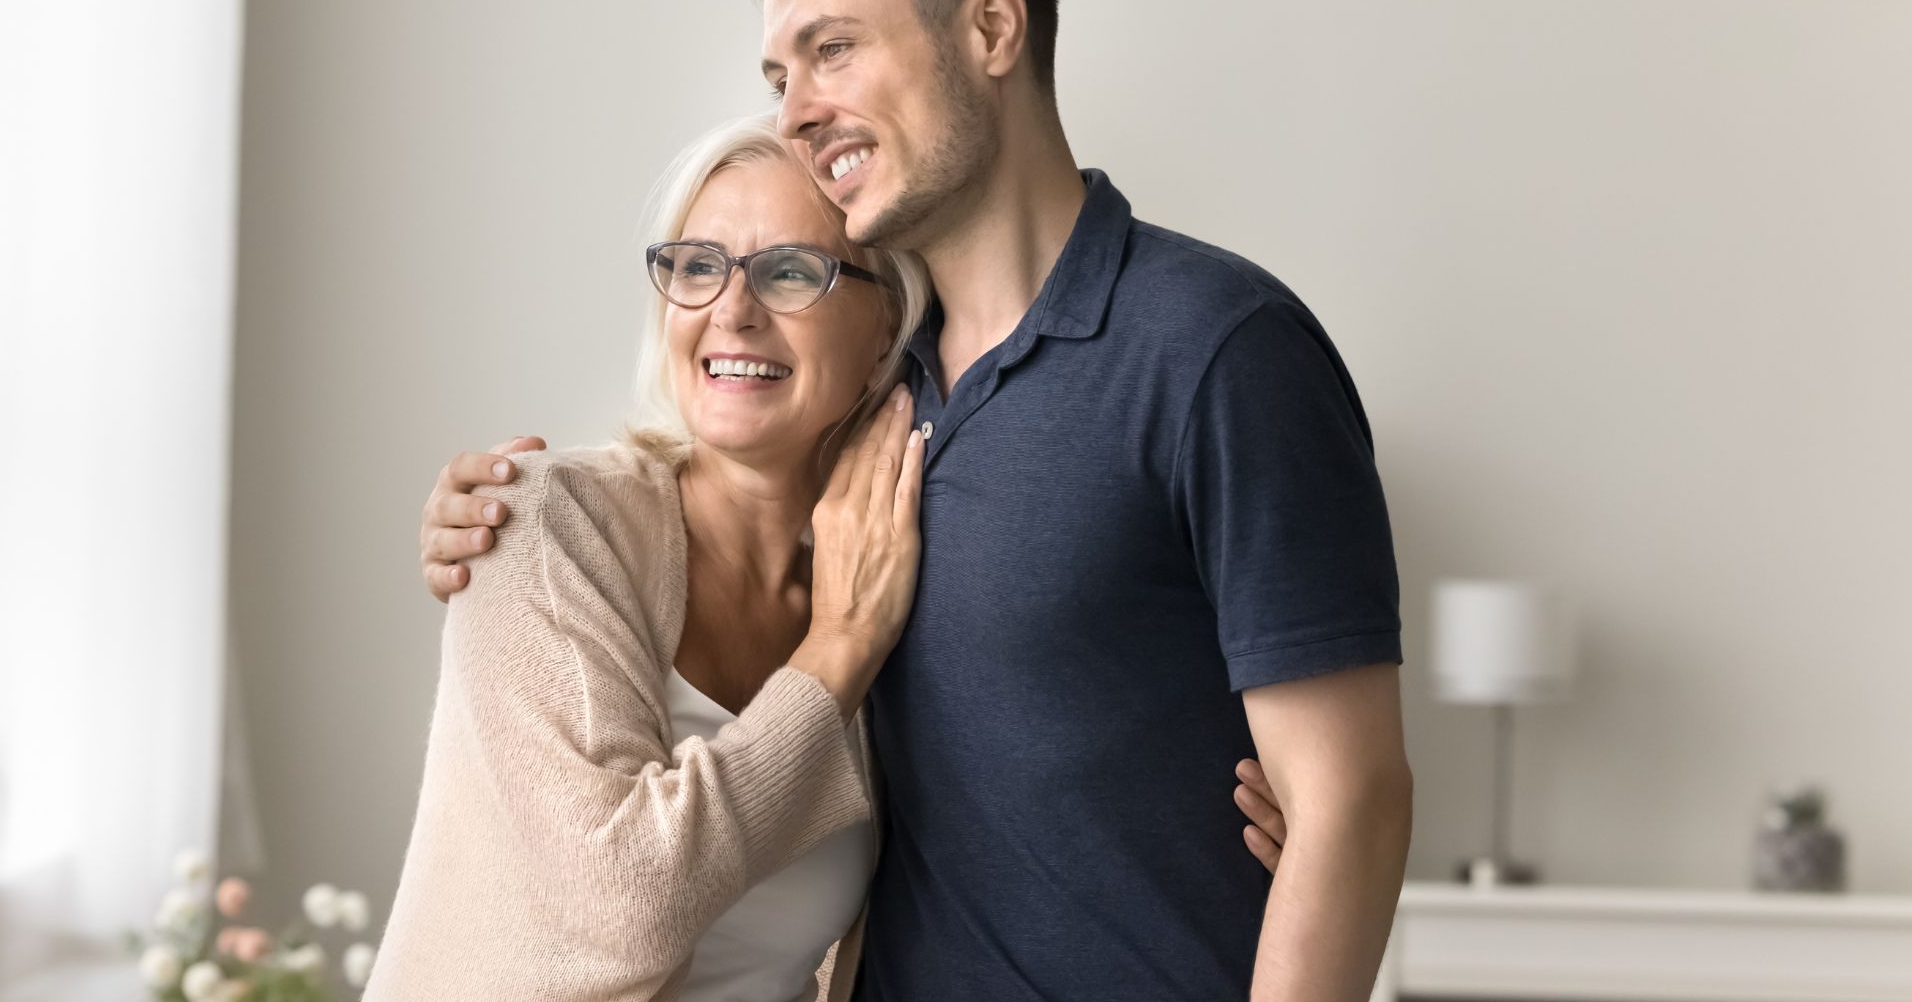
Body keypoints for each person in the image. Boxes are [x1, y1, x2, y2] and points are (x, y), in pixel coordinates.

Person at [418, 0, 1412, 1001]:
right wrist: (494, 521)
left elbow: (1350, 802)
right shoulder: (870, 416)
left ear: (993, 30)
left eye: (832, 50)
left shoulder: (1214, 351)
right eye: (779, 79)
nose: (799, 112)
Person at [369, 115, 1293, 1002]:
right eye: (696, 267)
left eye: (789, 274)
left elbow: (1031, 791)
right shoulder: (542, 521)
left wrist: (1245, 829)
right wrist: (838, 650)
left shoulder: (900, 580)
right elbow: (619, 903)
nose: (731, 311)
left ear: (886, 327)